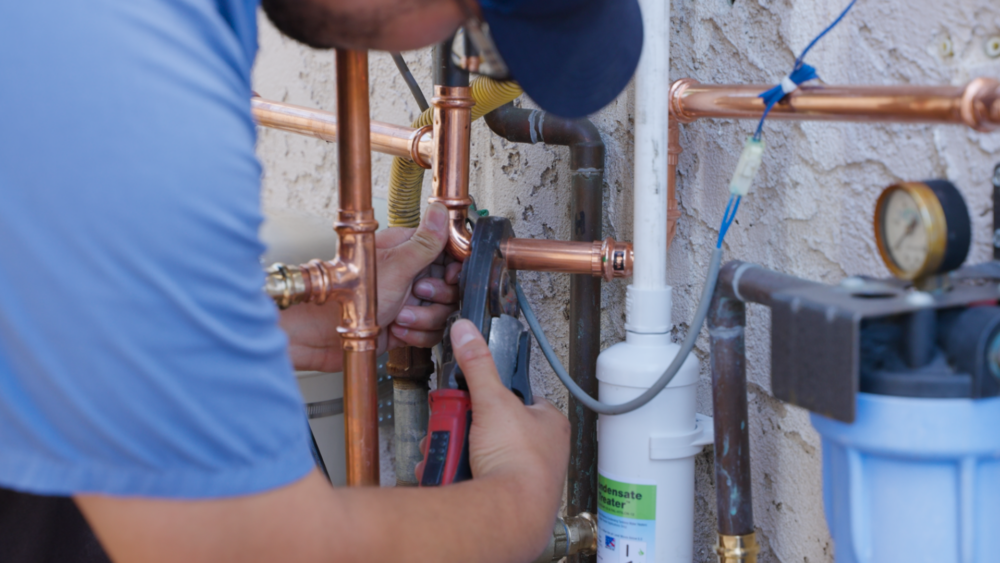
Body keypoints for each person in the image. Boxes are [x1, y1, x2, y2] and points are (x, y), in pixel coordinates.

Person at [0, 0, 642, 561]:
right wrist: (519, 502)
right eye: (470, 19)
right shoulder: (124, 66)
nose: (435, 39)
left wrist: (246, 328)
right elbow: (248, 547)